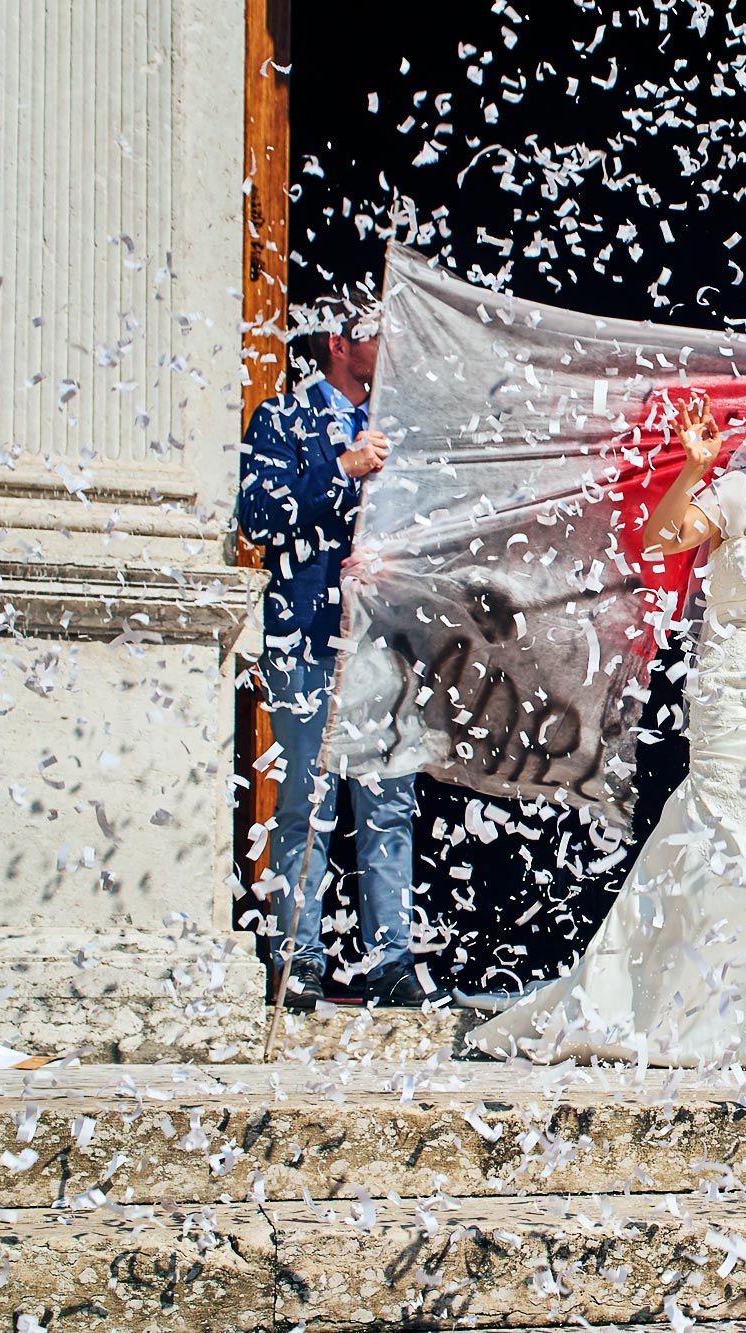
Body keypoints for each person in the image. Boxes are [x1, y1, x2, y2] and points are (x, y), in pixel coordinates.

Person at [467, 388, 746, 1067]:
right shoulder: (737, 493)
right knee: (725, 833)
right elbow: (661, 538)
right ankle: (692, 1005)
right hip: (731, 691)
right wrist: (694, 468)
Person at [239, 293, 434, 1010]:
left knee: (388, 802)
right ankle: (299, 956)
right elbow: (259, 515)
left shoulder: (403, 431)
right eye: (377, 330)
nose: (392, 343)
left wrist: (399, 562)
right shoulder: (281, 418)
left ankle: (390, 958)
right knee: (305, 801)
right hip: (308, 637)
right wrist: (341, 470)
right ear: (339, 343)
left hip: (385, 642)